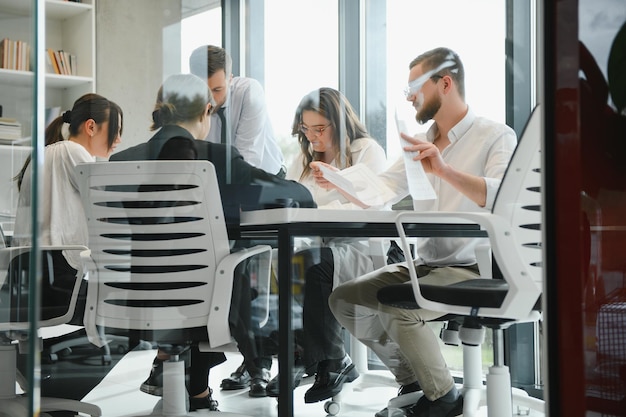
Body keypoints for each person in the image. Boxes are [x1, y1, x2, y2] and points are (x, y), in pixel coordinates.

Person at [326, 47, 518, 417]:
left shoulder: (495, 135)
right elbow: (381, 190)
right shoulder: (420, 142)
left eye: (415, 86)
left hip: (476, 267)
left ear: (445, 84)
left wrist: (444, 170)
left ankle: (443, 397)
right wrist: (338, 181)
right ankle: (417, 379)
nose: (410, 96)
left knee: (398, 306)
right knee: (344, 298)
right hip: (426, 265)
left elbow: (500, 197)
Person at [110, 73, 315, 407]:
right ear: (207, 111)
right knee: (230, 273)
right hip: (195, 301)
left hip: (129, 297)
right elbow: (297, 198)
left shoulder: (120, 161)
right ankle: (253, 367)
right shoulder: (216, 158)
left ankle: (190, 386)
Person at [264, 87, 388, 404]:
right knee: (274, 261)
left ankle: (331, 361)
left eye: (319, 129)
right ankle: (302, 357)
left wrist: (313, 214)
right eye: (306, 130)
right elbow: (287, 203)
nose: (312, 138)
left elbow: (370, 206)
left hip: (360, 247)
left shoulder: (366, 152)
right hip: (314, 245)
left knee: (308, 264)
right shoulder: (303, 160)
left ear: (340, 122)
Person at [12, 93, 123, 324]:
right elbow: (107, 209)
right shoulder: (75, 153)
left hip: (30, 273)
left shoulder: (46, 153)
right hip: (56, 276)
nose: (119, 139)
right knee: (129, 299)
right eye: (115, 130)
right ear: (91, 126)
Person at [189, 44, 286, 177]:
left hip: (265, 180)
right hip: (222, 182)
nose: (210, 98)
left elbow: (248, 158)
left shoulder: (249, 92)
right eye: (203, 89)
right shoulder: (189, 103)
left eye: (217, 90)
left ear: (230, 79)